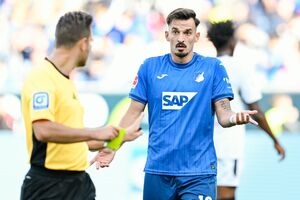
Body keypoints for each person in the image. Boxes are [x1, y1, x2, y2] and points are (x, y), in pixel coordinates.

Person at [93, 8, 258, 200]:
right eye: (176, 32)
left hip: (199, 172)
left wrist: (234, 117)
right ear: (167, 35)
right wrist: (112, 146)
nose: (181, 38)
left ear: (196, 36)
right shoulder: (149, 67)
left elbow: (224, 113)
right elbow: (132, 114)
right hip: (158, 171)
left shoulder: (213, 68)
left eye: (187, 32)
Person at [20, 11, 143, 200]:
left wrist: (121, 137)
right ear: (83, 43)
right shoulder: (42, 78)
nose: (91, 47)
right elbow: (42, 130)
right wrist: (95, 132)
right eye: (91, 42)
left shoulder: (65, 80)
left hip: (78, 184)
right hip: (48, 186)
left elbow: (79, 140)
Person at [207, 20, 286, 200]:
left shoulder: (205, 67)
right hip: (227, 145)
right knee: (226, 195)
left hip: (204, 145)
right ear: (232, 42)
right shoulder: (239, 67)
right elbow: (255, 110)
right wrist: (275, 139)